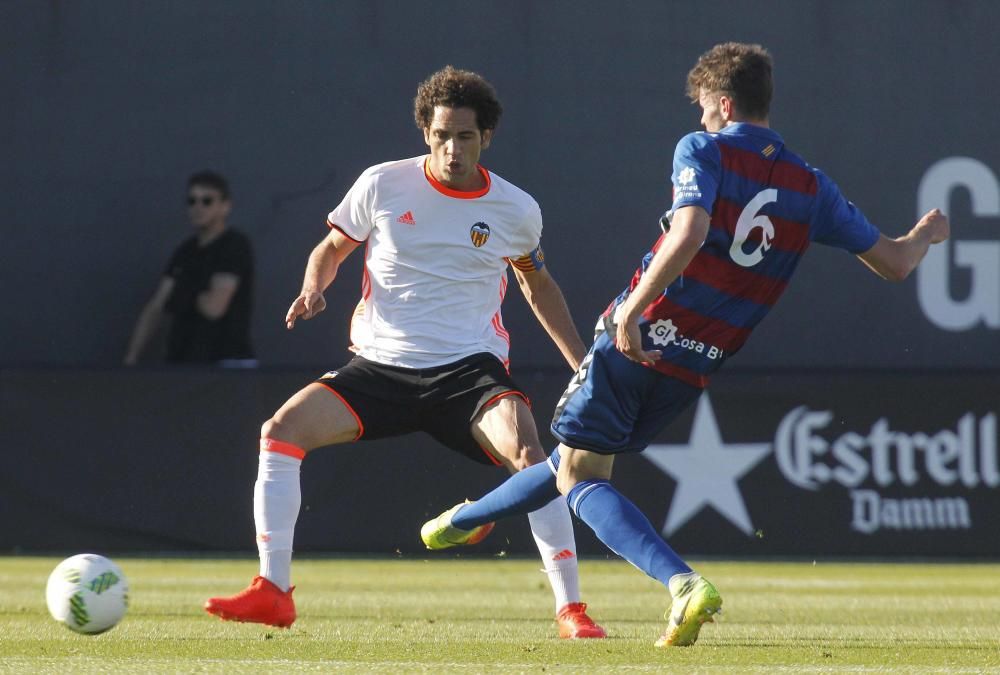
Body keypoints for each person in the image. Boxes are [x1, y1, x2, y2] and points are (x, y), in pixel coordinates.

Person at [421, 42, 951, 647]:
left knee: (579, 477)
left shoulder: (703, 148)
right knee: (574, 461)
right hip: (699, 362)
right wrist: (925, 234)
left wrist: (634, 309)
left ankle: (681, 583)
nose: (699, 119)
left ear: (723, 104)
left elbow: (692, 229)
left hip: (644, 335)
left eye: (703, 108)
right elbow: (894, 263)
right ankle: (459, 522)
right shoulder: (812, 185)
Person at [204, 66, 605, 638]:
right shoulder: (383, 184)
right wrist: (314, 287)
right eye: (441, 135)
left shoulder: (515, 210)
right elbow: (331, 248)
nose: (451, 148)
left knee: (532, 456)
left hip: (469, 373)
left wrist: (581, 364)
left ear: (485, 138)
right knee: (280, 431)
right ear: (425, 132)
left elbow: (538, 286)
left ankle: (571, 610)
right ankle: (274, 591)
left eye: (464, 136)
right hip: (379, 368)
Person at [123, 171, 256, 367]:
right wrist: (131, 357)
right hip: (183, 363)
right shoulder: (185, 252)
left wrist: (185, 288)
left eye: (207, 201)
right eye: (192, 201)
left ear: (225, 206)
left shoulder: (234, 246)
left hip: (228, 365)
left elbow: (214, 308)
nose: (198, 207)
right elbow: (157, 305)